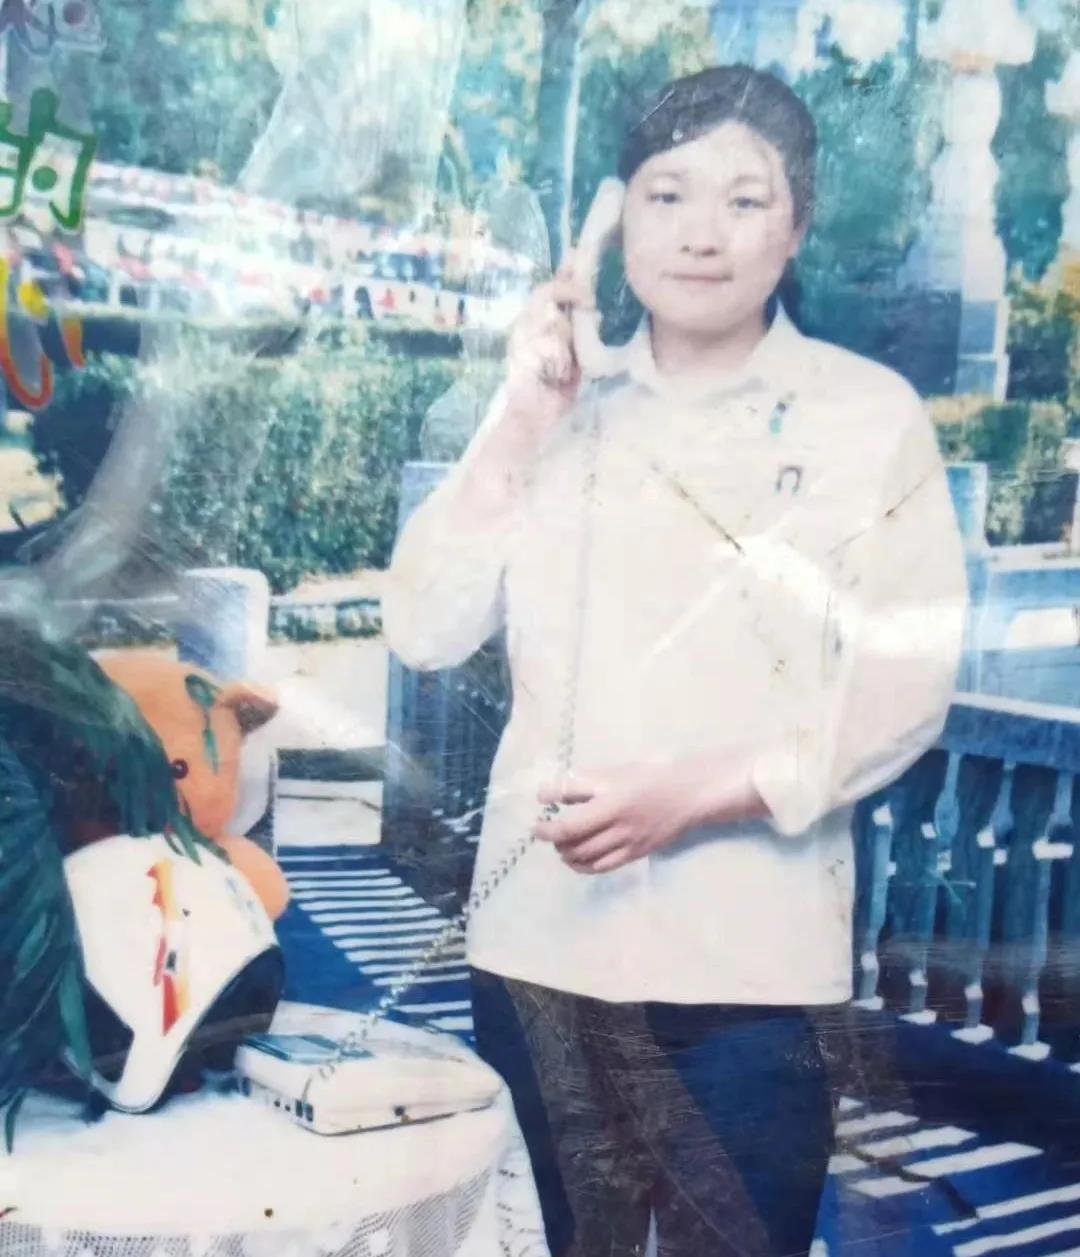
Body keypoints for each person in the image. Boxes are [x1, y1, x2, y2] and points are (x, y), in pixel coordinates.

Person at [382, 65, 968, 1257]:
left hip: (753, 971)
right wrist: (519, 420)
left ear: (797, 225)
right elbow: (424, 628)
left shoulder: (867, 418)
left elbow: (906, 687)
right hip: (538, 955)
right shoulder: (555, 405)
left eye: (745, 200)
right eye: (667, 194)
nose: (702, 234)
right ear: (616, 220)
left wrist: (693, 796)